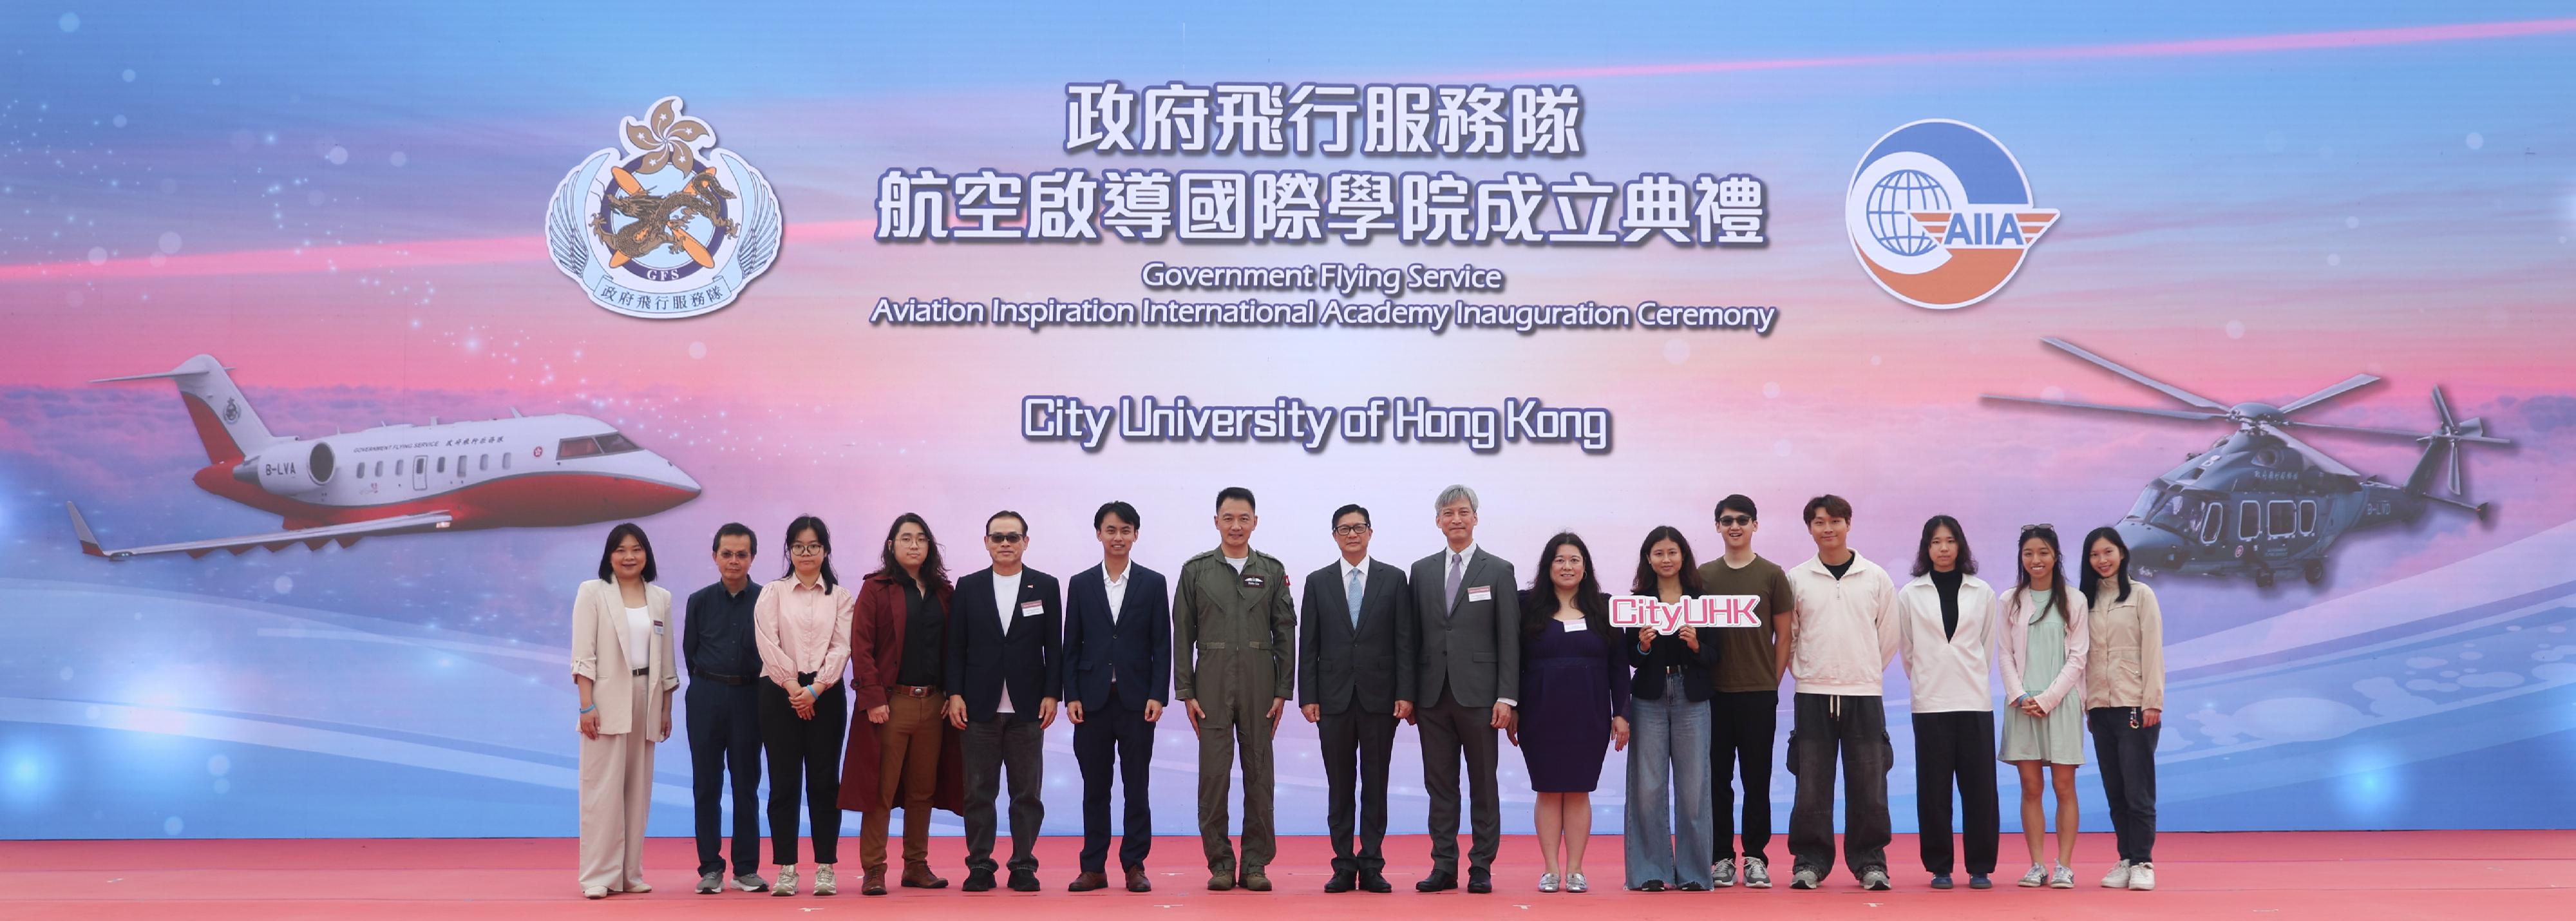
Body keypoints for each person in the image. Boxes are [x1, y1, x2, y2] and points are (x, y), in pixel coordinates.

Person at [1172, 486, 1297, 891]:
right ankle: (1221, 864)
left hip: (1261, 682)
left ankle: (1256, 864)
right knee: (1214, 776)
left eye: (1244, 518)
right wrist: (1186, 691)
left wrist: (1283, 690)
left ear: (1255, 522)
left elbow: (1285, 634)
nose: (1236, 525)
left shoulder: (1273, 570)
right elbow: (1182, 635)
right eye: (1228, 518)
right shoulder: (1196, 571)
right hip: (1210, 682)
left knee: (1260, 773)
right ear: (1216, 522)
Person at [836, 513, 966, 896]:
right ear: (891, 545)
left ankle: (916, 865)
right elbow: (861, 646)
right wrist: (873, 698)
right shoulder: (877, 588)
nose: (914, 545)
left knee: (922, 790)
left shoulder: (944, 591)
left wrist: (953, 691)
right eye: (906, 538)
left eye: (922, 539)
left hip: (935, 704)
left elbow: (956, 648)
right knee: (881, 789)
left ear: (930, 547)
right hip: (892, 705)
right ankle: (874, 868)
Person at [1783, 494, 1900, 892]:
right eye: (1819, 522)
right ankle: (1810, 863)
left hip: (1864, 693)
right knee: (1811, 781)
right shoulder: (1797, 578)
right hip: (1813, 692)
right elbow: (1791, 635)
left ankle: (1870, 863)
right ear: (1810, 529)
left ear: (1848, 523)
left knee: (1870, 782)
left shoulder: (1876, 577)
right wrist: (1809, 671)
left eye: (1835, 520)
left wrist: (1862, 670)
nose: (1827, 528)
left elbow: (1888, 635)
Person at [1296, 504, 1416, 894]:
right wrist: (1308, 695)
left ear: (1370, 532)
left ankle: (1373, 864)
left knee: (1376, 784)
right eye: (1344, 529)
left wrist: (1405, 692)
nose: (1352, 535)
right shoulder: (1318, 581)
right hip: (1332, 700)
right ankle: (1343, 866)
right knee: (1340, 785)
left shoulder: (1394, 579)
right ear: (1334, 536)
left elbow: (1404, 641)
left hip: (1381, 700)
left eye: (1359, 527)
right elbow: (1308, 643)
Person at [1406, 484, 1520, 895]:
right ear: (1438, 521)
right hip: (1432, 697)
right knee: (1439, 785)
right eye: (1448, 513)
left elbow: (1510, 638)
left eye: (1463, 512)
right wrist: (1410, 693)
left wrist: (1507, 697)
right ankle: (1444, 865)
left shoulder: (1498, 569)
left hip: (1482, 698)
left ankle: (1482, 867)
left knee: (1484, 785)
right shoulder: (1420, 571)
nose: (1456, 519)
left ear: (1475, 518)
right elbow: (1411, 638)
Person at [944, 510, 1063, 893]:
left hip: (1028, 707)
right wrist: (955, 694)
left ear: (1026, 542)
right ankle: (980, 864)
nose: (1006, 543)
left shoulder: (1045, 586)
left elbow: (1054, 649)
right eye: (998, 537)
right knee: (978, 792)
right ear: (986, 543)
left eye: (1013, 537)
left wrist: (1051, 693)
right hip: (979, 706)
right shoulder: (969, 586)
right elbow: (955, 648)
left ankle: (1024, 865)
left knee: (1026, 793)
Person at [1508, 533, 1629, 895]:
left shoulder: (1604, 607)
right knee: (1547, 790)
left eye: (1574, 560)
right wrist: (1511, 705)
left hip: (1589, 711)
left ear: (1586, 567)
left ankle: (1576, 869)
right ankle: (1550, 869)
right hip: (1539, 711)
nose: (1567, 566)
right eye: (1559, 560)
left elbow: (1619, 665)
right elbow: (1512, 661)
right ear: (1548, 567)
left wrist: (1621, 712)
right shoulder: (1526, 606)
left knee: (1578, 790)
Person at [1064, 501, 1172, 893]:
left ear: (1136, 535)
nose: (1118, 537)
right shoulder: (1080, 583)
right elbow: (1070, 645)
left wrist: (1158, 694)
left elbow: (1163, 644)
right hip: (1091, 702)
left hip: (1137, 701)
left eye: (1126, 530)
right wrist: (1070, 694)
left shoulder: (1153, 582)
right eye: (1110, 530)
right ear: (1098, 534)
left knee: (1136, 786)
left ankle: (1134, 865)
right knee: (1095, 788)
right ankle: (1093, 867)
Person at [1895, 515, 2001, 891]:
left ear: (1961, 546)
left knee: (1980, 790)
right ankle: (1940, 866)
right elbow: (1908, 652)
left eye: (1950, 541)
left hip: (1973, 699)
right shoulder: (1910, 594)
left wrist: (1965, 673)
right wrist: (1930, 677)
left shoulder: (1982, 591)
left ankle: (1981, 866)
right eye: (1936, 542)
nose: (1943, 548)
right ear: (1926, 548)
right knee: (1934, 789)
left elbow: (1986, 648)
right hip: (1930, 701)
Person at [1695, 494, 1795, 889]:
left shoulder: (1772, 575)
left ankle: (1756, 856)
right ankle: (1722, 857)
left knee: (1757, 779)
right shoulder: (1702, 576)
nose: (1734, 526)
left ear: (1755, 525)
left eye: (1742, 519)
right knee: (1717, 779)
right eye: (1726, 520)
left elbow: (1784, 636)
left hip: (1758, 694)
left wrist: (1771, 683)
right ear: (1717, 527)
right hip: (1713, 695)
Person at [573, 523, 678, 899]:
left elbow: (666, 662)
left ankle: (630, 874)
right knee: (602, 790)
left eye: (636, 549)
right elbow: (583, 655)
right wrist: (587, 705)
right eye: (621, 550)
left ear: (646, 554)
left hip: (646, 697)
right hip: (605, 698)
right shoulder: (593, 592)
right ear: (609, 555)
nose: (629, 556)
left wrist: (666, 708)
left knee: (637, 790)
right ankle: (598, 877)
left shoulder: (661, 597)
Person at [754, 515, 857, 897]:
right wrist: (794, 686)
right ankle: (786, 868)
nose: (806, 553)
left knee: (825, 783)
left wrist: (815, 690)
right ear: (789, 551)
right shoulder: (773, 592)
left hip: (825, 697)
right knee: (783, 783)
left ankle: (826, 866)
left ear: (825, 550)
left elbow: (842, 647)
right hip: (779, 694)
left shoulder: (841, 597)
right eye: (798, 546)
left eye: (814, 546)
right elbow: (767, 641)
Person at [1621, 526, 1718, 893]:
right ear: (1648, 558)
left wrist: (1695, 646)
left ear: (1683, 556)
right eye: (1658, 553)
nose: (1666, 559)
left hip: (1692, 695)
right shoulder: (1637, 601)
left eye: (1672, 552)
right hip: (1648, 697)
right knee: (1647, 786)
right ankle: (1650, 870)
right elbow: (1629, 657)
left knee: (1694, 787)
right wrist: (1643, 647)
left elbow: (1715, 656)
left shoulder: (1702, 600)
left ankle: (1695, 872)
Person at [1998, 525, 2087, 890]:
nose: (2036, 560)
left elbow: (2079, 656)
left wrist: (2049, 699)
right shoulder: (2009, 601)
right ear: (2021, 557)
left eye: (2044, 553)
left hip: (2061, 704)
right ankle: (2036, 864)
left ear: (2055, 556)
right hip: (2022, 706)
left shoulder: (2074, 599)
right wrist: (2020, 696)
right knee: (2030, 787)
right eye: (2029, 554)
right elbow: (2004, 655)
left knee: (2064, 786)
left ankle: (2064, 865)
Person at [685, 523, 770, 895]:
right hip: (705, 695)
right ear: (715, 555)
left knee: (746, 784)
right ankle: (710, 868)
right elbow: (690, 653)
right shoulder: (699, 601)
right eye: (727, 554)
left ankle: (746, 868)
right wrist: (709, 685)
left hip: (750, 698)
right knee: (706, 784)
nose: (734, 561)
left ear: (752, 557)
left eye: (742, 554)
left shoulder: (767, 599)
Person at [2083, 527, 2165, 893]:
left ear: (2122, 553)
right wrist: (2088, 703)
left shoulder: (2141, 595)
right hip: (2100, 708)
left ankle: (2144, 860)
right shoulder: (2083, 601)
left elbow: (2153, 650)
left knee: (2138, 790)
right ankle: (2126, 858)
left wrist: (2153, 701)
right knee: (2115, 790)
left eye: (2108, 552)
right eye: (2095, 555)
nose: (2102, 561)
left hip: (2135, 705)